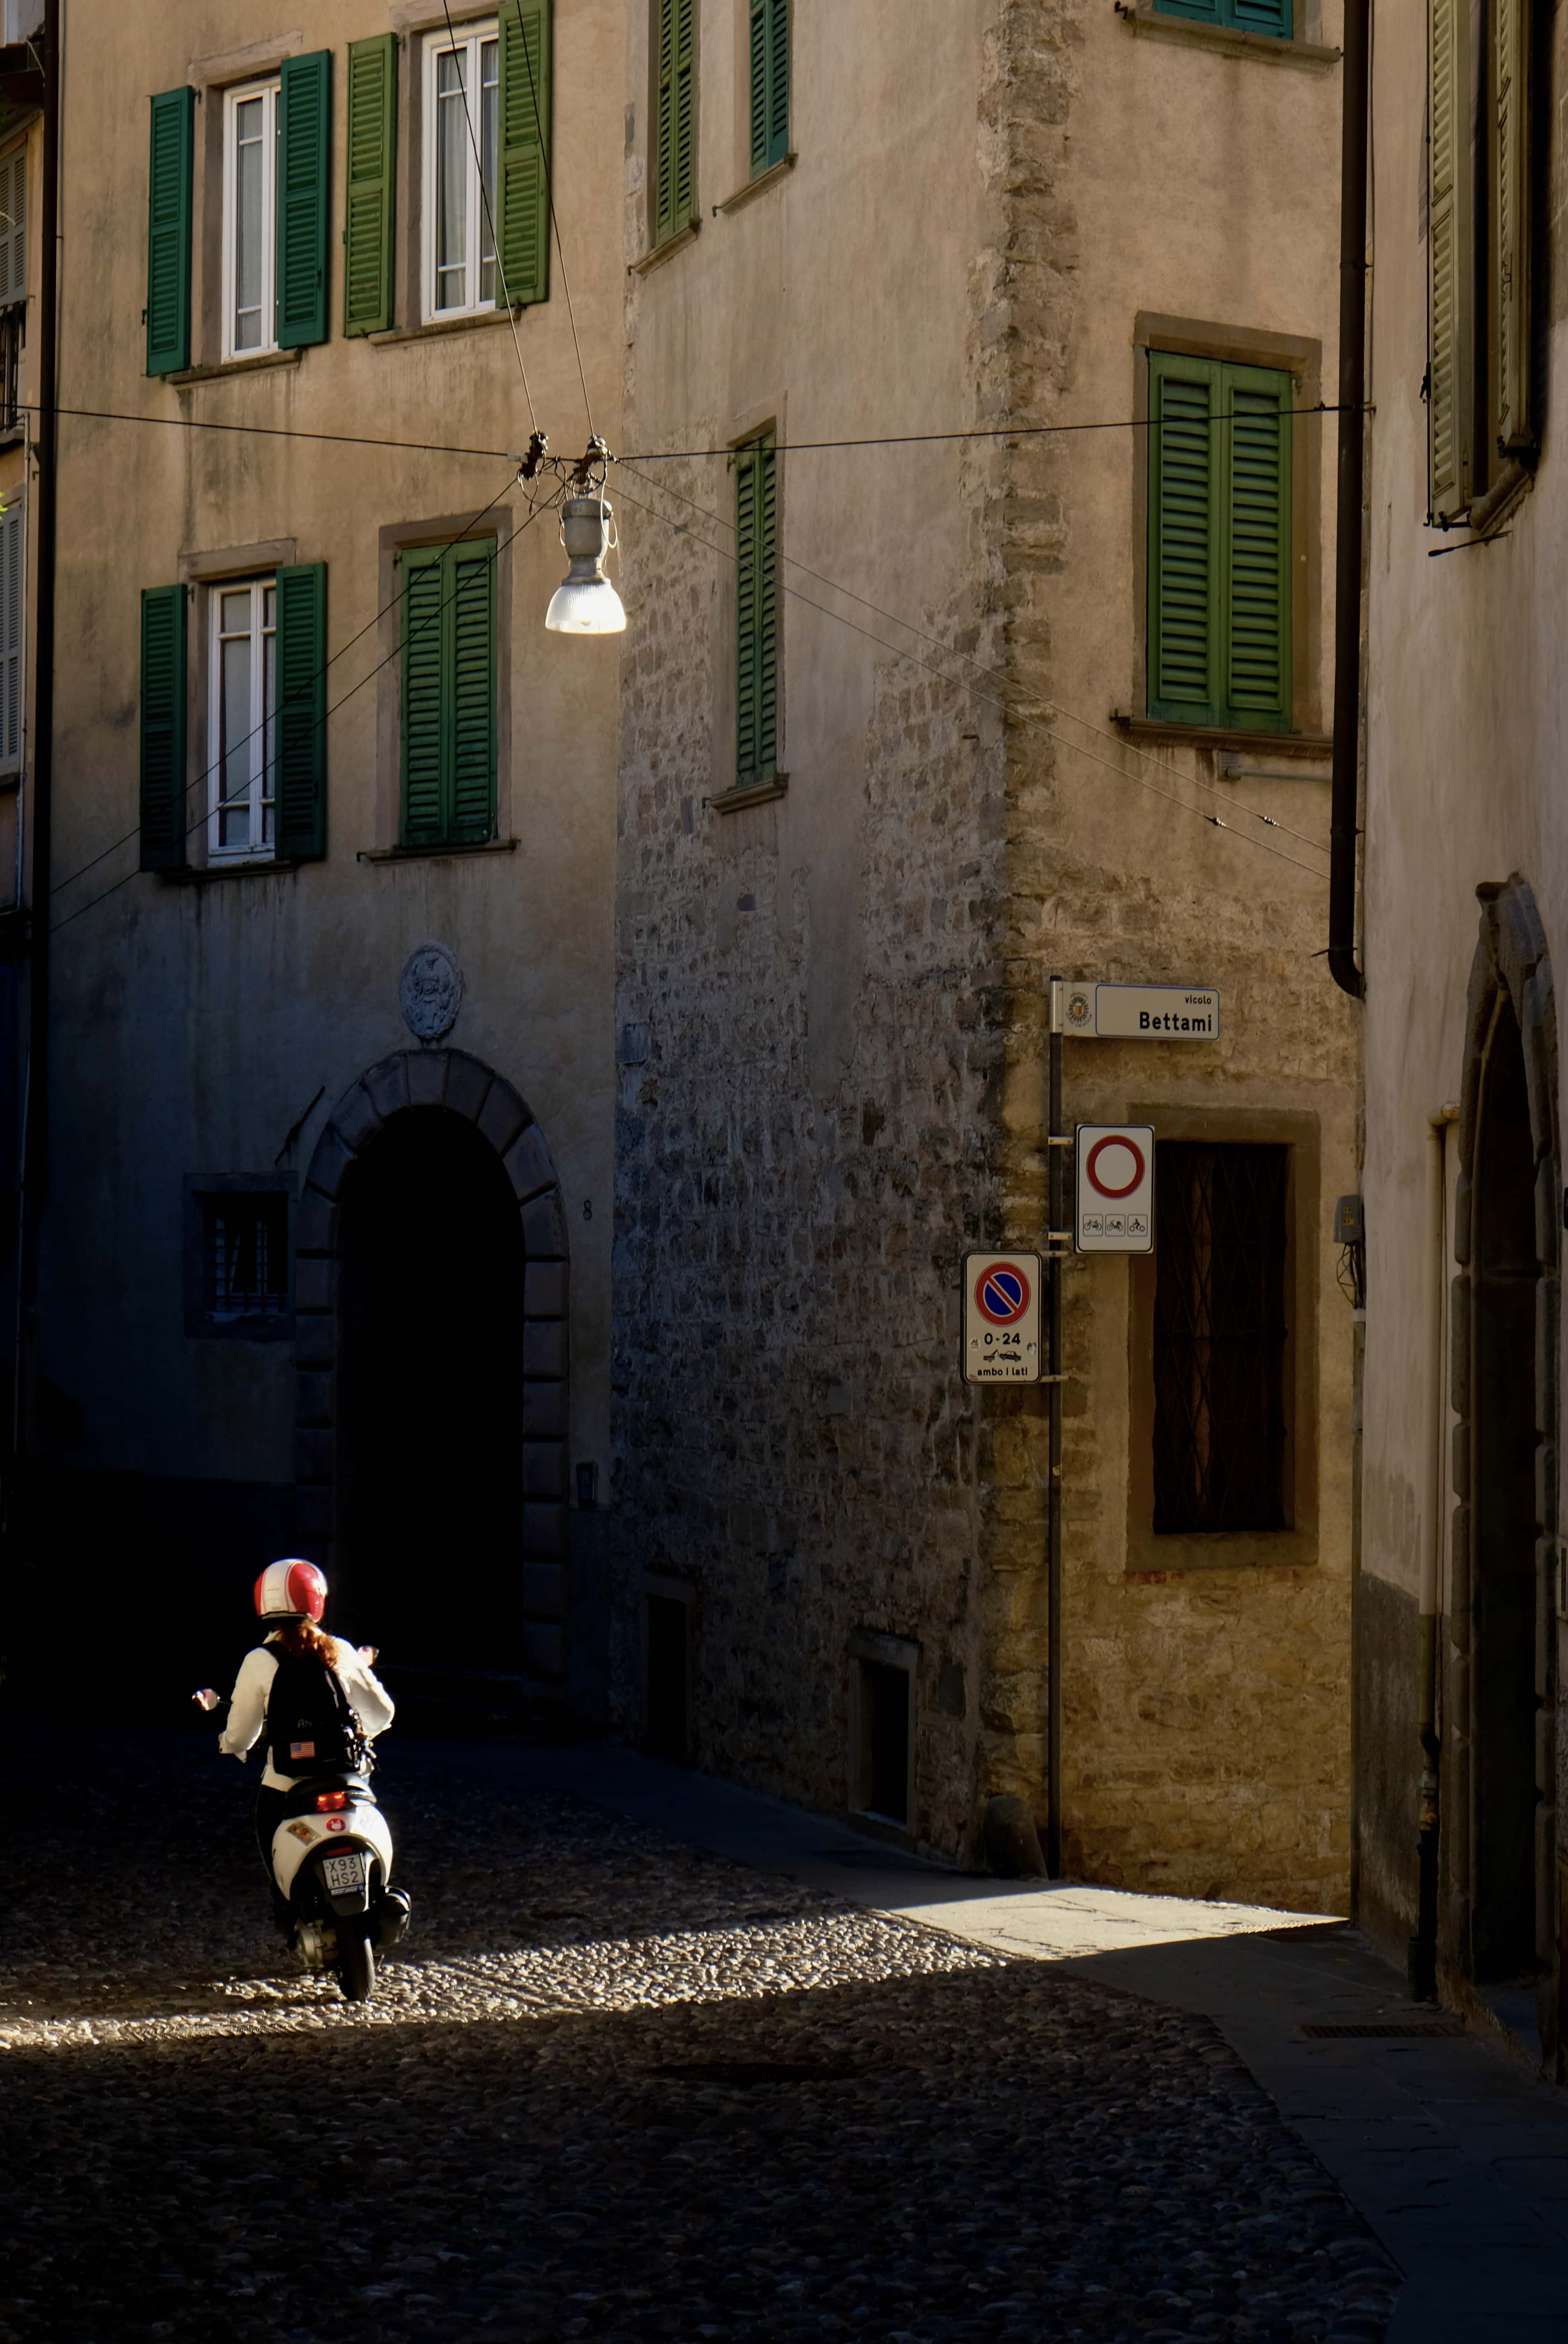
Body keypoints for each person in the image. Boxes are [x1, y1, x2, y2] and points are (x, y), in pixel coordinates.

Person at [219, 1559, 395, 1938]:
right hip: (347, 1778)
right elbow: (383, 1714)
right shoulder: (343, 1651)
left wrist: (229, 1745)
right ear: (317, 1601)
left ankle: (286, 1906)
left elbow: (241, 1734)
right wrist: (361, 1732)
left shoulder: (259, 1661)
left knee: (266, 1828)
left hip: (288, 1784)